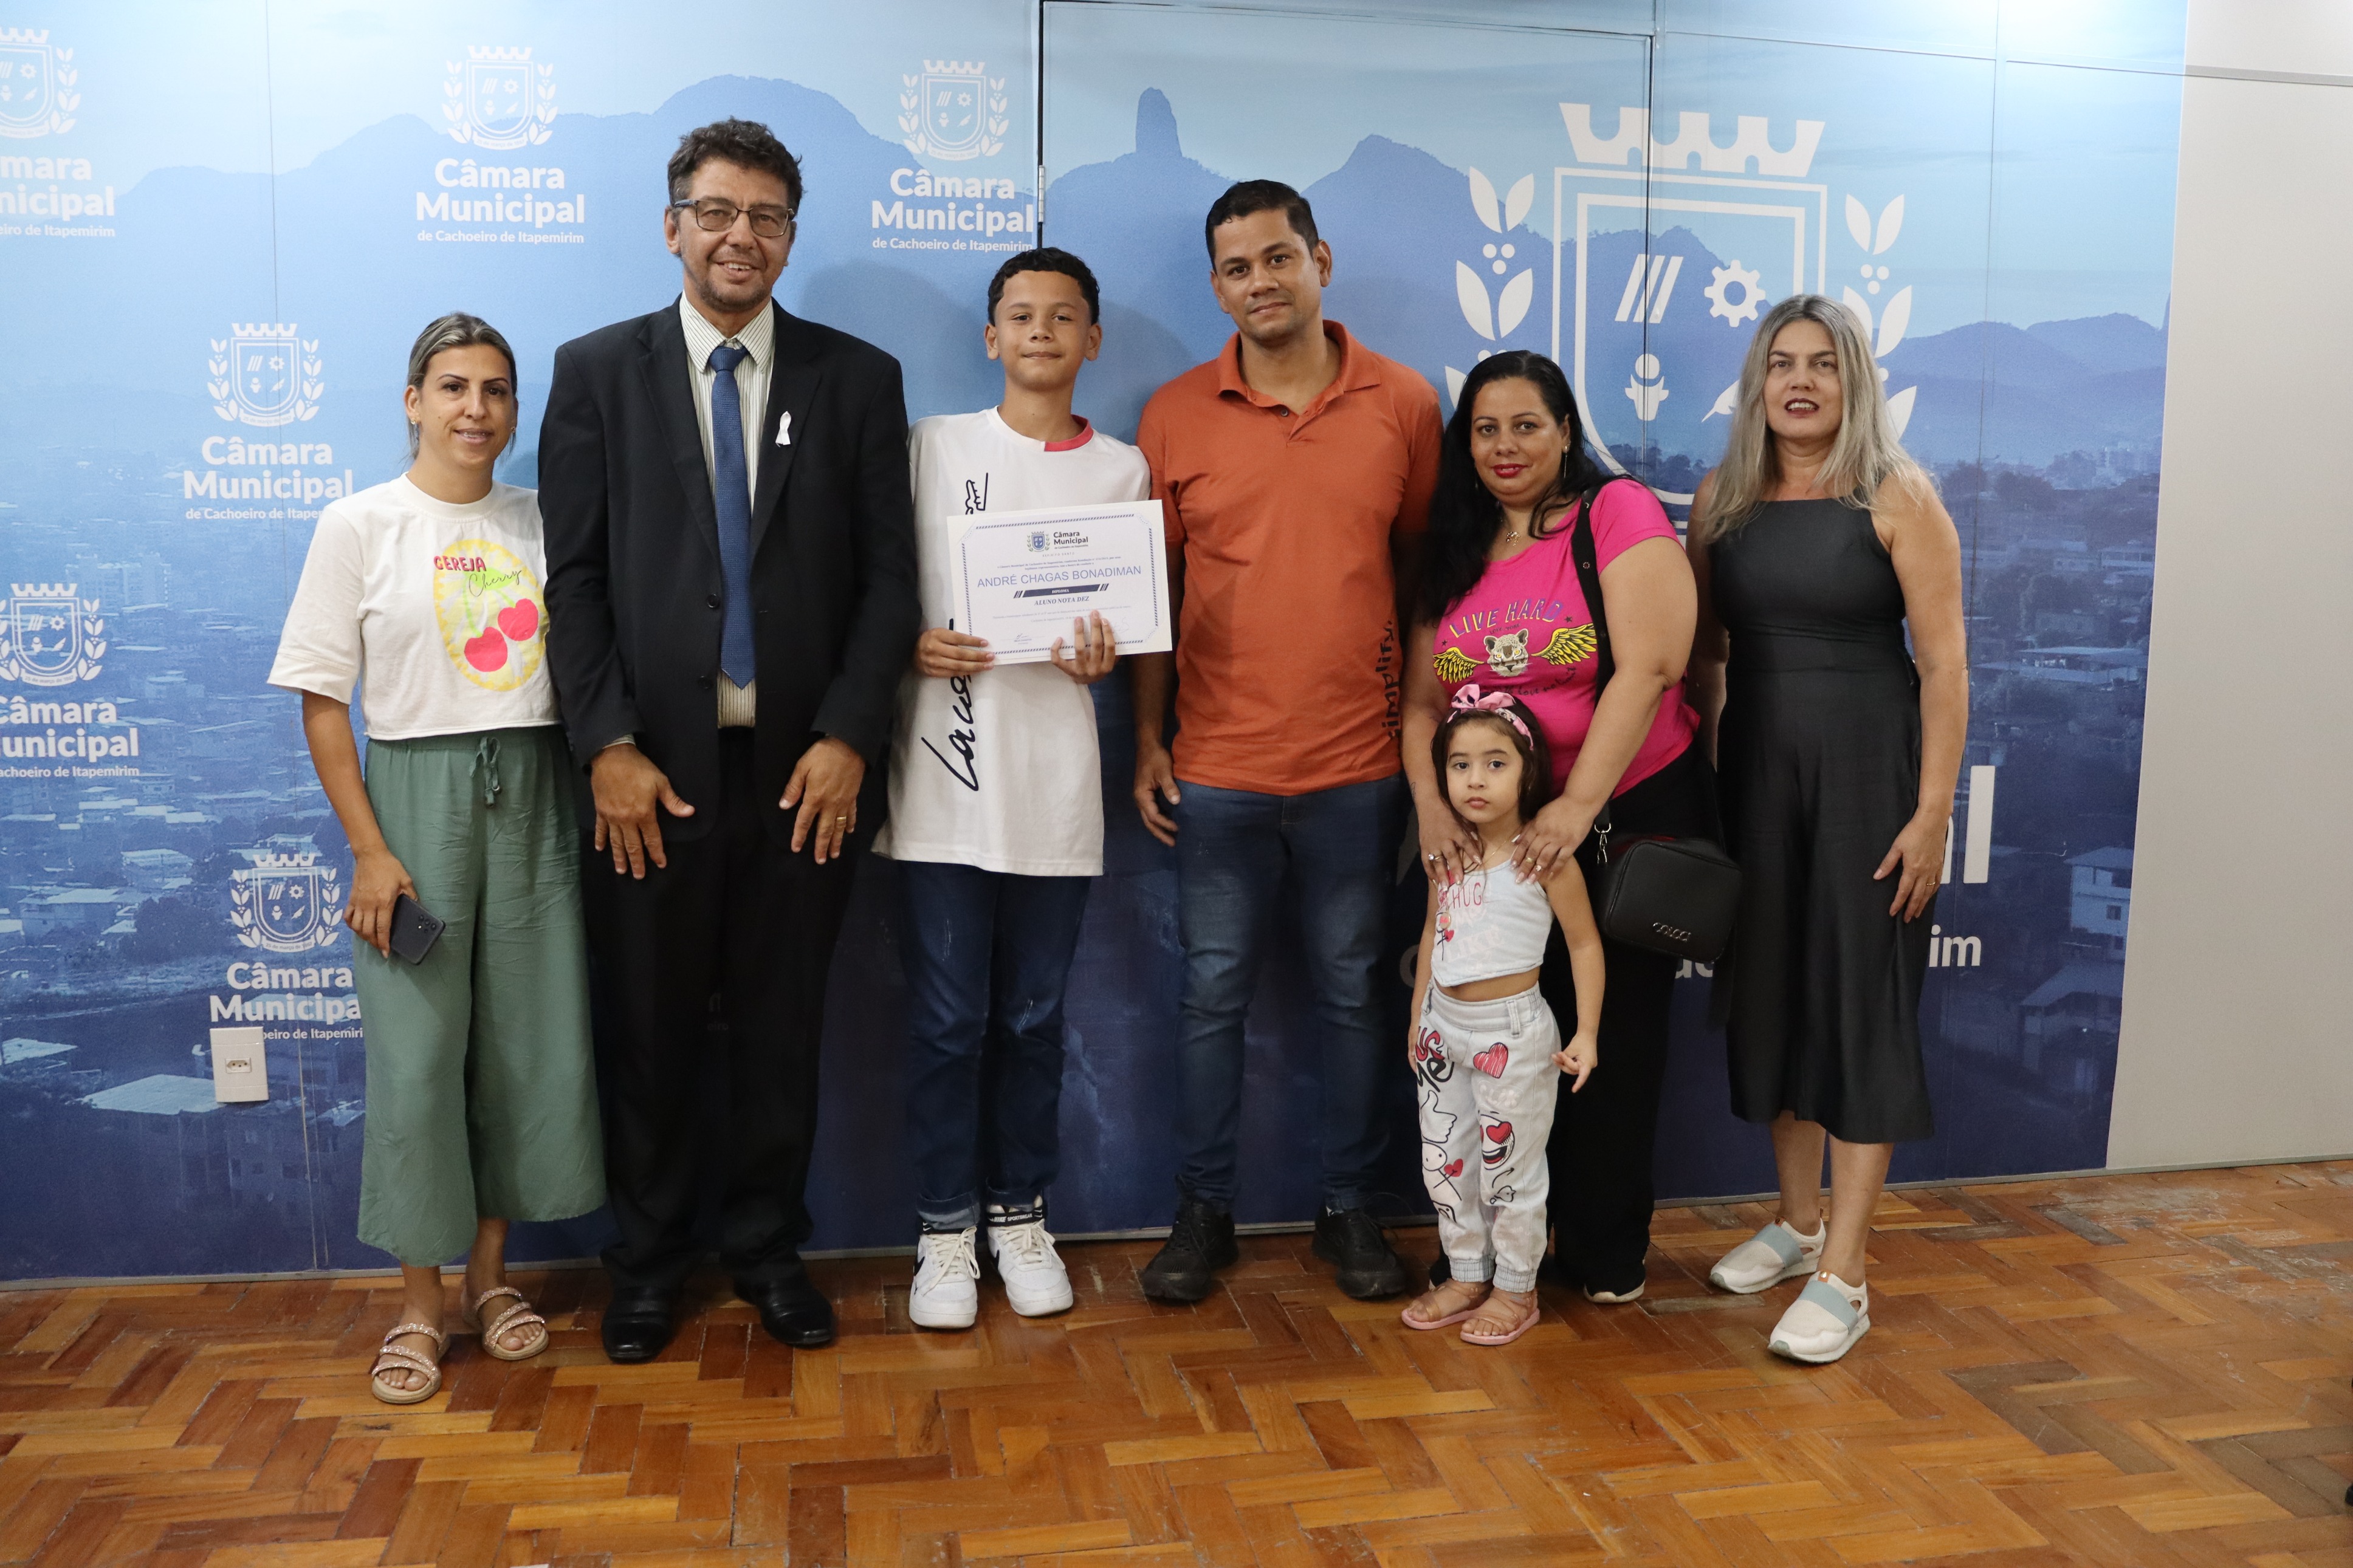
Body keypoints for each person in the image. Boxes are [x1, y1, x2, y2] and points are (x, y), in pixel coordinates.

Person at [539, 118, 919, 1361]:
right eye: (715, 212)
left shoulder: (856, 379)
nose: (738, 236)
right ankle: (648, 1265)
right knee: (648, 1031)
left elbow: (890, 582)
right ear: (673, 228)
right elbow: (573, 584)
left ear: (790, 238)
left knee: (779, 1028)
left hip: (804, 775)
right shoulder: (596, 372)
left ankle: (765, 1250)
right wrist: (605, 743)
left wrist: (850, 733)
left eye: (764, 216)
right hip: (648, 779)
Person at [269, 313, 603, 1405]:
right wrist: (370, 849)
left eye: (496, 390)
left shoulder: (545, 520)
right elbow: (324, 701)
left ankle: (489, 1279)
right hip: (413, 801)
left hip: (536, 794)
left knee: (522, 1049)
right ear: (413, 401)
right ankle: (419, 1302)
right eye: (453, 386)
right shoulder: (360, 523)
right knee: (418, 1058)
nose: (476, 408)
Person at [1130, 180, 1443, 1304]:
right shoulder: (1174, 413)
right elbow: (1154, 597)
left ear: (1320, 260)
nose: (1259, 282)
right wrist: (1149, 738)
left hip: (1358, 769)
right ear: (1216, 288)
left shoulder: (1405, 402)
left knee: (1354, 996)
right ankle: (1203, 1211)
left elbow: (1421, 576)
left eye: (1277, 258)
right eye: (1235, 268)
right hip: (1216, 769)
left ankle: (1349, 1209)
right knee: (1210, 997)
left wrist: (1415, 734)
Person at [1688, 294, 1966, 1364]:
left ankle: (1845, 1275)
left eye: (1824, 364)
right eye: (1781, 364)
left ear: (1856, 382)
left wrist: (1931, 813)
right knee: (1772, 999)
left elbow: (1944, 666)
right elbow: (1709, 659)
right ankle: (1797, 1225)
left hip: (1870, 778)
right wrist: (1714, 789)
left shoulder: (1899, 495)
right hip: (1757, 778)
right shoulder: (1718, 499)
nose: (1800, 382)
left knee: (1858, 1007)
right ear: (1756, 384)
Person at [1400, 350, 1710, 1306]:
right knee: (1497, 1050)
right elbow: (1421, 706)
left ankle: (1604, 1250)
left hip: (1619, 817)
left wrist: (1576, 807)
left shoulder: (1614, 512)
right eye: (1485, 429)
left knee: (1605, 1041)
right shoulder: (1453, 546)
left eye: (1527, 425)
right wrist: (1431, 807)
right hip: (1493, 840)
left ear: (1566, 431)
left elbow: (1653, 665)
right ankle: (1497, 1257)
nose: (1506, 446)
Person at [876, 247, 1146, 1330]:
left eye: (1063, 316)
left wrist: (1104, 654)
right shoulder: (932, 446)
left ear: (1093, 339)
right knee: (948, 1024)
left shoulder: (1122, 471)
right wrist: (909, 642)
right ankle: (943, 1229)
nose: (1041, 332)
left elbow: (1125, 622)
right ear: (991, 337)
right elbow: (871, 583)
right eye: (1021, 315)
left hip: (1054, 793)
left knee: (1032, 1022)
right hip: (939, 786)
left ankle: (1019, 1215)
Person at [1400, 690, 1601, 1346]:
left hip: (1512, 1035)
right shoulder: (1446, 855)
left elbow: (1583, 945)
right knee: (1446, 1162)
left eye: (1495, 763)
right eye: (1460, 765)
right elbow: (1431, 935)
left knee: (1510, 1170)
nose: (1476, 780)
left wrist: (1587, 1032)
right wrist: (1419, 1015)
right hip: (1443, 1029)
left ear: (1527, 772)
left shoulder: (1544, 858)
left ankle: (1516, 1286)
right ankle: (1465, 1274)